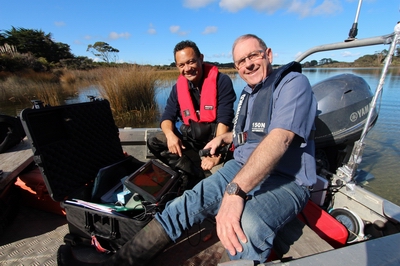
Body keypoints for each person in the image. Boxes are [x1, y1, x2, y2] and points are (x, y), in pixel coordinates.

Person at [58, 34, 317, 266]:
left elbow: (280, 138)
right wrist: (225, 138)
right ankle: (119, 262)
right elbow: (251, 134)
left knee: (246, 223)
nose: (248, 64)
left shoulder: (293, 83)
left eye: (253, 56)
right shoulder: (251, 92)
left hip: (287, 179)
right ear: (237, 67)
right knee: (181, 206)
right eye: (241, 61)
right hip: (241, 167)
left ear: (268, 55)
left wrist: (235, 192)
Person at [147, 40, 236, 184]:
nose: (187, 68)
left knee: (223, 180)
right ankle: (197, 175)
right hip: (193, 141)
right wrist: (170, 135)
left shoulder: (222, 81)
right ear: (177, 66)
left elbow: (224, 120)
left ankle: (199, 176)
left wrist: (215, 153)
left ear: (201, 58)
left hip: (217, 141)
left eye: (191, 62)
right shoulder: (178, 88)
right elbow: (167, 117)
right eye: (182, 65)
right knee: (155, 140)